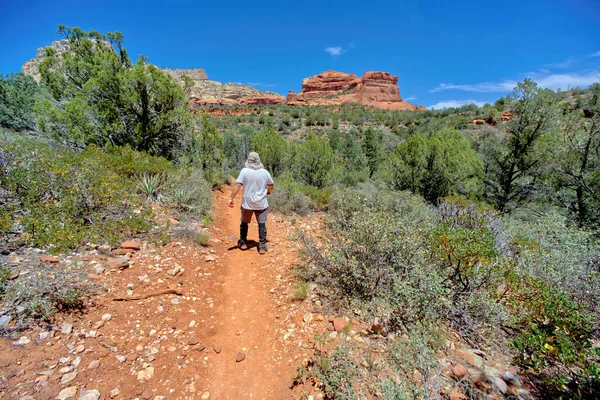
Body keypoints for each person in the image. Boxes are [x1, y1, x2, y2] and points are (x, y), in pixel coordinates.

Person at [228, 152, 274, 254]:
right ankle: (262, 246)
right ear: (258, 160)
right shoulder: (265, 172)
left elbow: (238, 185)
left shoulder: (244, 171)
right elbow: (271, 185)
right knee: (261, 224)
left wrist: (231, 198)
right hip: (261, 203)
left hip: (247, 203)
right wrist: (268, 192)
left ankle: (243, 242)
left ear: (248, 160)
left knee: (244, 222)